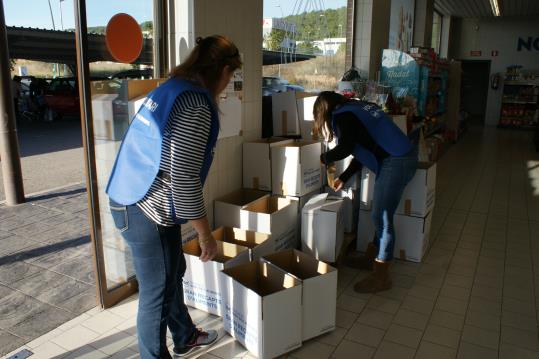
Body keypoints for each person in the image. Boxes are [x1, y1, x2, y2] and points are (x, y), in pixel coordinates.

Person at [106, 35, 242, 358]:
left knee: (172, 271)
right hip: (145, 209)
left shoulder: (173, 88)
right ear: (222, 70)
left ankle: (184, 336)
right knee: (155, 294)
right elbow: (183, 178)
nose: (228, 83)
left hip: (131, 196)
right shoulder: (195, 104)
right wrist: (205, 234)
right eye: (231, 76)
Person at [313, 91, 418, 293]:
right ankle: (372, 258)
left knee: (382, 217)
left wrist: (324, 158)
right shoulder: (357, 108)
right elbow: (363, 149)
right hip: (399, 156)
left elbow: (345, 147)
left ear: (324, 110)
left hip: (395, 161)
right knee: (380, 214)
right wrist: (343, 177)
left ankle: (381, 276)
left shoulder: (344, 116)